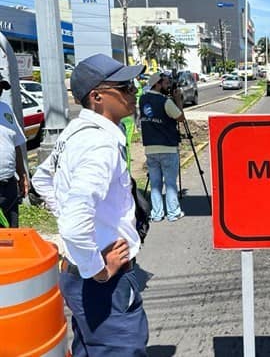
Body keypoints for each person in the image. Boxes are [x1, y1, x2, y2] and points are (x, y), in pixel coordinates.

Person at [31, 53, 148, 355]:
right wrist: (97, 268)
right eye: (124, 87)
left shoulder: (75, 132)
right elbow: (73, 218)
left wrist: (76, 219)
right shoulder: (99, 143)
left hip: (78, 277)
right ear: (97, 96)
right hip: (103, 283)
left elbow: (42, 180)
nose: (133, 92)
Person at [139, 72, 185, 222]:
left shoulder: (143, 99)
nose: (168, 86)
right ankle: (173, 213)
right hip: (168, 148)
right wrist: (178, 99)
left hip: (150, 149)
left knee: (155, 184)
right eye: (165, 83)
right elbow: (180, 117)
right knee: (170, 184)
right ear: (157, 84)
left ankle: (157, 214)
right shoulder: (165, 101)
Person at [0, 74, 28, 228]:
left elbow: (15, 143)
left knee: (11, 233)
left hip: (9, 183)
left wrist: (22, 174)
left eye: (0, 87)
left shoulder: (5, 109)